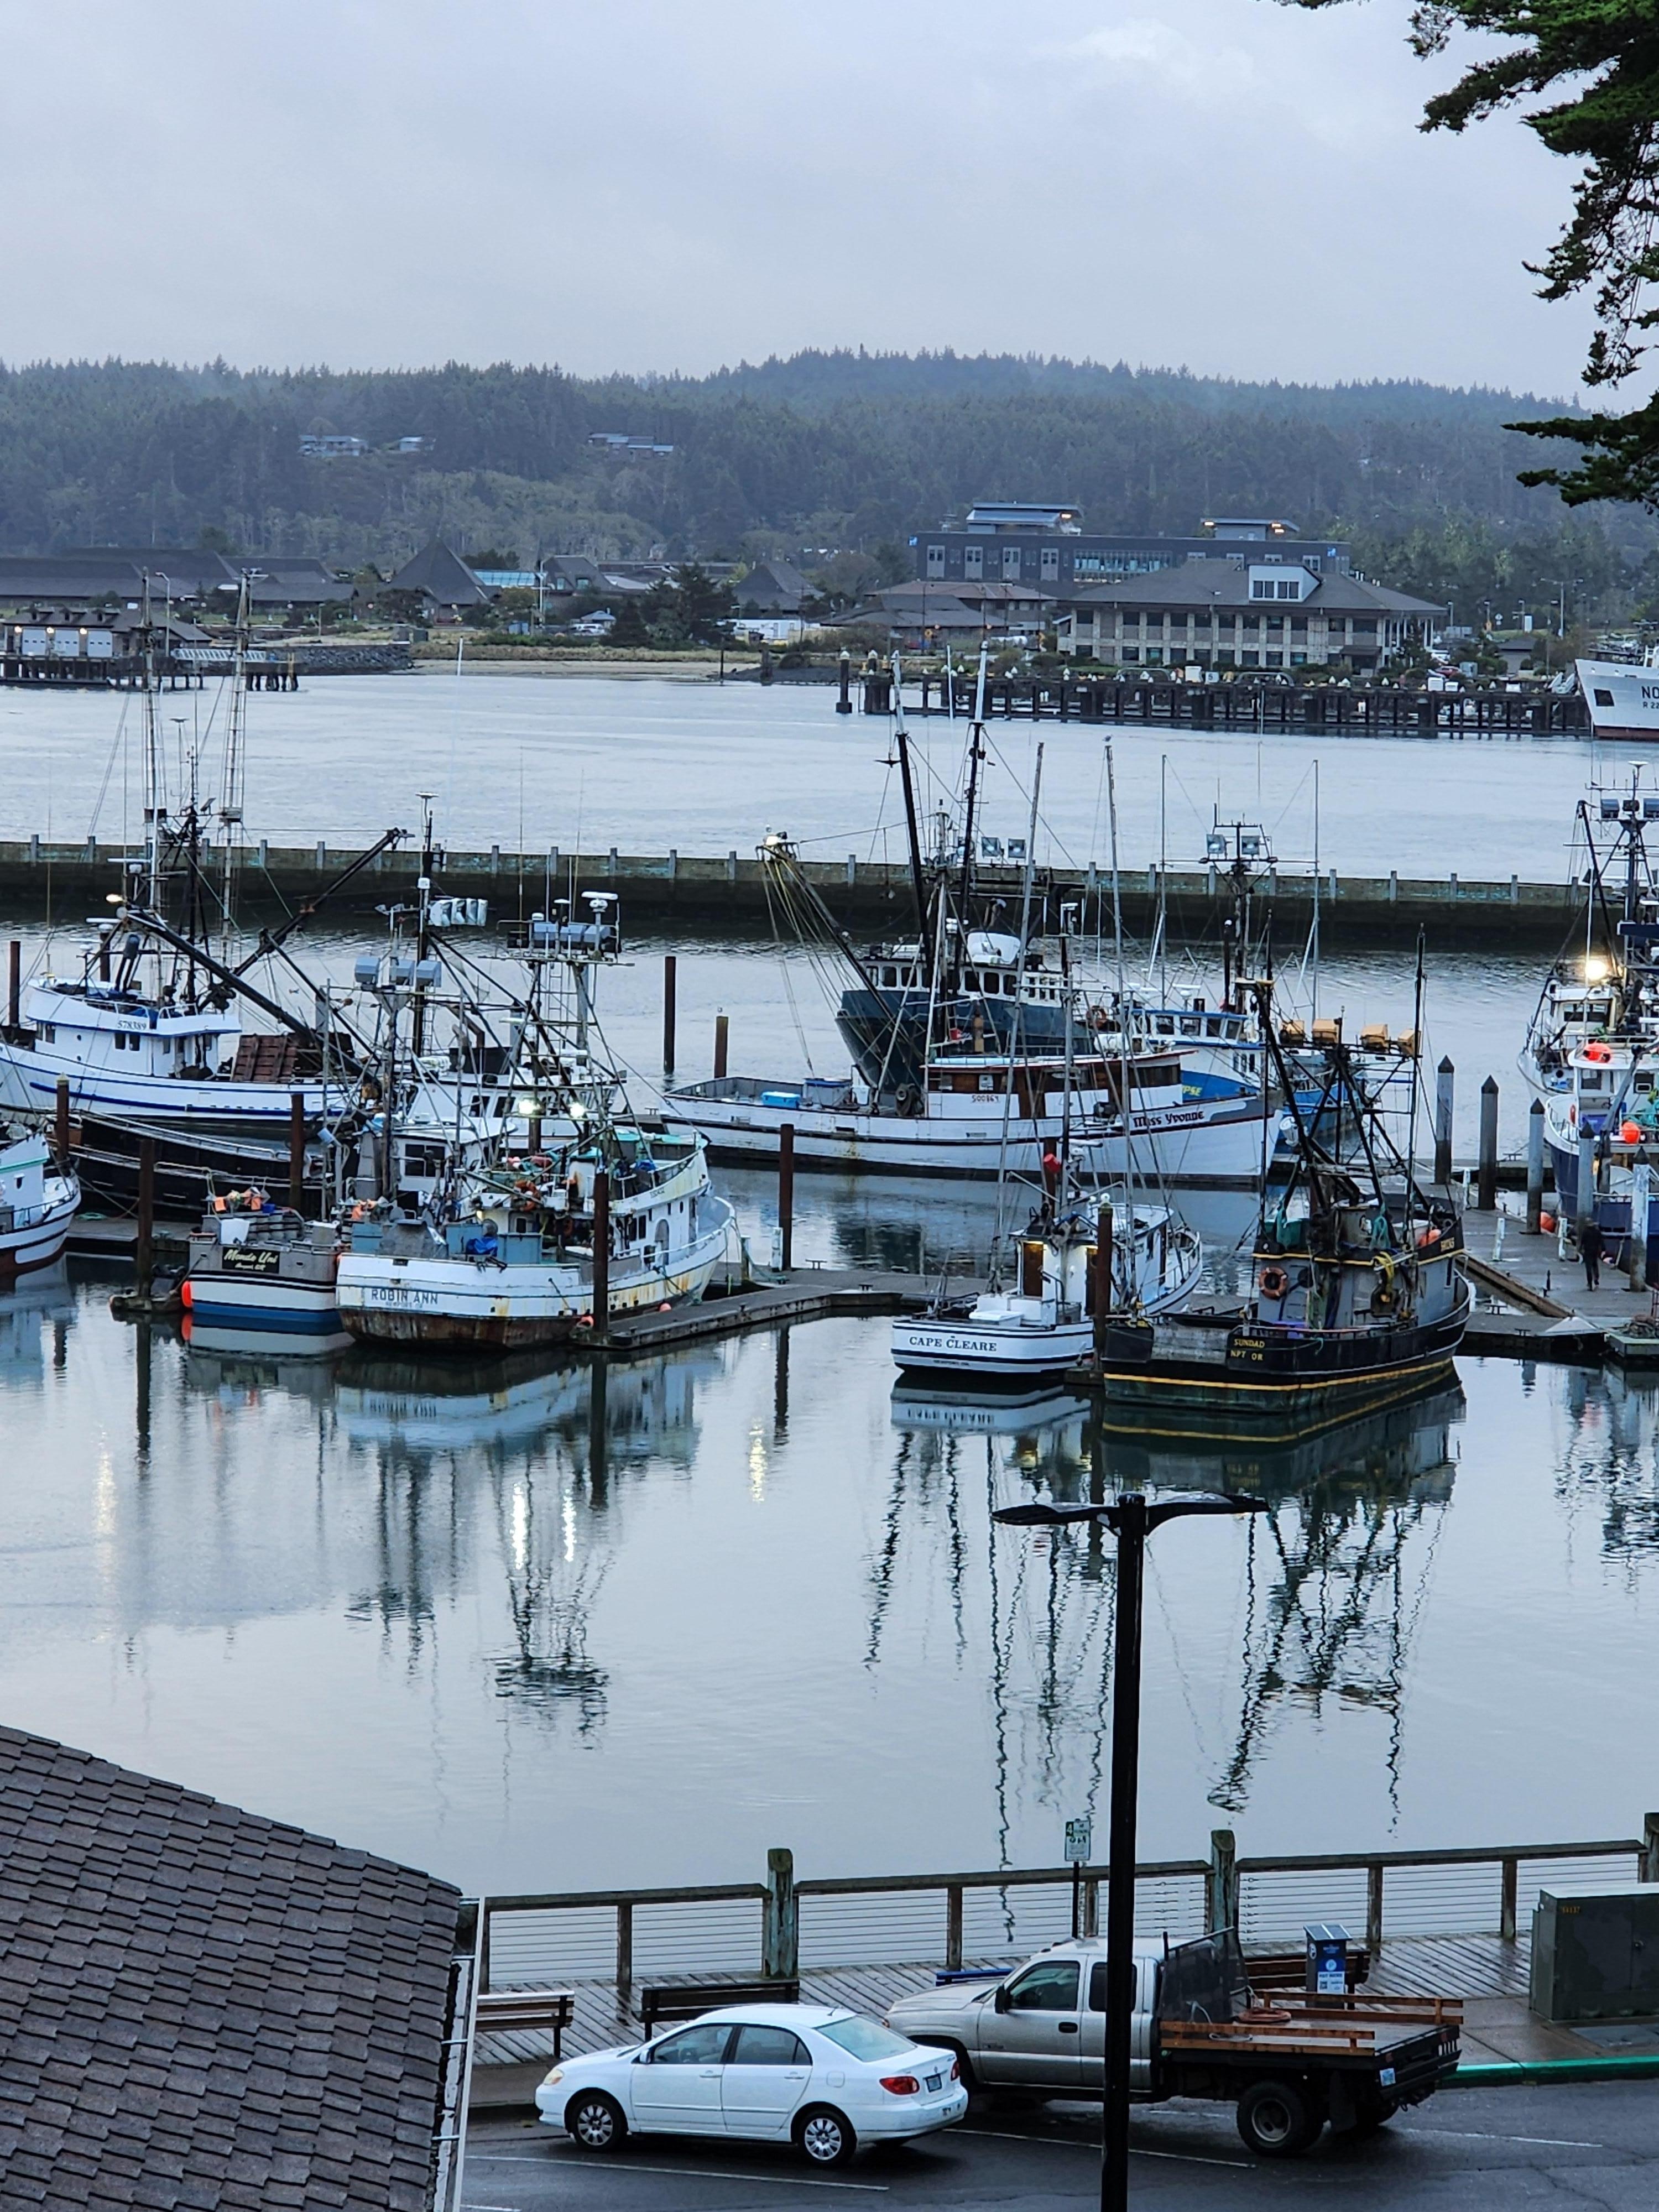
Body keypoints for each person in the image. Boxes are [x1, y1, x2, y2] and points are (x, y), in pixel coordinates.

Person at [1580, 1215, 1604, 1291]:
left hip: (1588, 1251)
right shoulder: (1597, 1231)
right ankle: (1596, 1278)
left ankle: (1590, 1283)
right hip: (1595, 1251)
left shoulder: (1585, 1232)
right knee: (1595, 1265)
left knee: (1588, 1268)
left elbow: (1582, 1242)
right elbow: (1601, 1241)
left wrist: (1580, 1249)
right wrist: (1603, 1249)